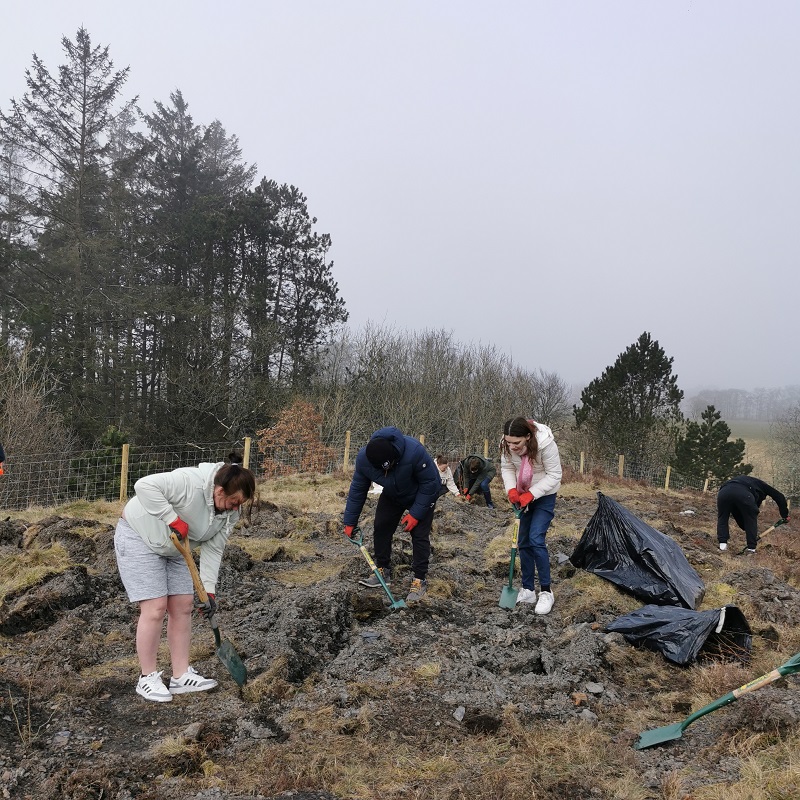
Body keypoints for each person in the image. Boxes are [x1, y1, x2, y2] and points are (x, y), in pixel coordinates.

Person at [114, 452, 255, 703]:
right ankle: (147, 678)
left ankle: (181, 676)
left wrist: (208, 590)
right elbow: (143, 486)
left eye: (240, 504)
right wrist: (172, 519)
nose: (236, 508)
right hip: (139, 536)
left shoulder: (230, 513)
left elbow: (214, 548)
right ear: (219, 491)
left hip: (176, 546)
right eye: (234, 502)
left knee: (183, 605)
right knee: (155, 607)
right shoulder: (189, 482)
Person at [343, 426, 440, 603]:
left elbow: (431, 483)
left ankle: (419, 579)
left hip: (421, 493)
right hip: (393, 494)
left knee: (419, 534)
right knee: (381, 526)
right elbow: (357, 490)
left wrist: (416, 514)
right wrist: (350, 521)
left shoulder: (414, 451)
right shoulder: (364, 459)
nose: (385, 473)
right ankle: (383, 570)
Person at [500, 417, 562, 615]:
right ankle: (528, 590)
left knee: (536, 539)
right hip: (522, 494)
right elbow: (507, 468)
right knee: (523, 541)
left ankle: (546, 591)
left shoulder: (546, 444)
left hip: (545, 495)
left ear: (528, 437)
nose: (512, 446)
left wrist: (532, 494)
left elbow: (555, 475)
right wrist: (511, 490)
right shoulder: (506, 444)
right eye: (508, 442)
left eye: (516, 443)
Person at [716, 475, 790, 553]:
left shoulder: (746, 481)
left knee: (722, 518)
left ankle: (722, 546)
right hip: (744, 495)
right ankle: (751, 549)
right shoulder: (763, 486)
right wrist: (785, 515)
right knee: (750, 519)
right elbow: (779, 496)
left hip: (724, 493)